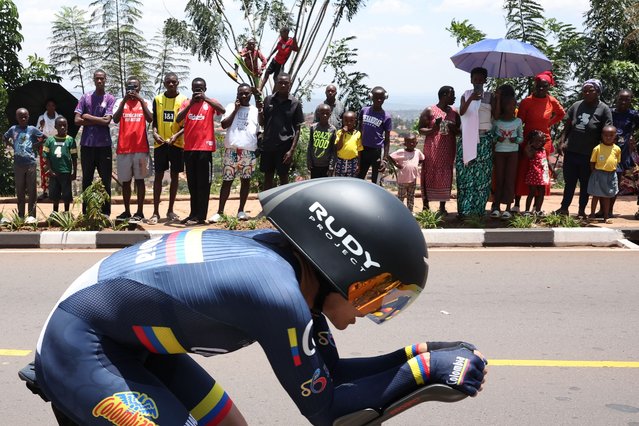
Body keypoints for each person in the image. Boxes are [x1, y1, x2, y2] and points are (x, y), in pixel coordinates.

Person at [34, 178, 487, 426]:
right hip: (81, 345)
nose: (370, 314)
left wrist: (416, 354)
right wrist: (423, 373)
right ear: (345, 267)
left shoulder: (295, 270)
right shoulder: (278, 295)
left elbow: (333, 377)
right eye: (374, 297)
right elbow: (329, 411)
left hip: (132, 342)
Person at [556, 79, 613, 218]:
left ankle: (581, 210)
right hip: (572, 151)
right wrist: (561, 141)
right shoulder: (576, 105)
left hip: (589, 154)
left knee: (585, 184)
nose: (587, 93)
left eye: (590, 91)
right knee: (569, 182)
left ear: (598, 92)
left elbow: (607, 131)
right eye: (585, 91)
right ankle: (564, 208)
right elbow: (568, 125)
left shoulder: (604, 109)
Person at [176, 78, 226, 226]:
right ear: (191, 89)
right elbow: (178, 119)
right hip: (189, 149)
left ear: (205, 88)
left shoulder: (210, 102)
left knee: (203, 184)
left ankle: (200, 216)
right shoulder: (186, 102)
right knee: (192, 184)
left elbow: (221, 110)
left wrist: (206, 99)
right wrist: (190, 104)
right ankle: (193, 213)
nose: (197, 91)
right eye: (195, 89)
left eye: (200, 88)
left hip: (205, 148)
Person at [209, 83, 261, 223]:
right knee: (227, 181)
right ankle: (220, 212)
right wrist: (236, 110)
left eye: (246, 93)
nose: (244, 95)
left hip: (248, 152)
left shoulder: (255, 111)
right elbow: (224, 124)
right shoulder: (231, 107)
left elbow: (259, 131)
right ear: (237, 94)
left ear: (251, 94)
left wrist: (259, 149)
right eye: (241, 93)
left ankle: (241, 211)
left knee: (245, 181)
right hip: (231, 151)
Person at [514, 71, 565, 212]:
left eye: (544, 86)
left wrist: (549, 124)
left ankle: (537, 207)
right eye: (538, 86)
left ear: (549, 87)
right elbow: (520, 122)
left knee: (541, 173)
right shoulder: (527, 102)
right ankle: (517, 203)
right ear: (534, 85)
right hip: (528, 141)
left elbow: (561, 113)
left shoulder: (551, 101)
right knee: (523, 170)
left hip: (544, 142)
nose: (541, 89)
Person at [74, 69, 116, 216]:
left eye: (102, 79)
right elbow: (77, 120)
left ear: (106, 80)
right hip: (87, 145)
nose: (99, 81)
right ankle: (86, 212)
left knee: (105, 181)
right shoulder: (85, 98)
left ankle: (105, 213)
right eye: (97, 78)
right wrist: (96, 120)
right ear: (93, 79)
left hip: (104, 145)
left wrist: (87, 116)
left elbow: (107, 121)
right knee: (87, 180)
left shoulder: (110, 98)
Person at [149, 72, 188, 225]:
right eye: (168, 82)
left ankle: (170, 210)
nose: (171, 84)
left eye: (173, 82)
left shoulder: (184, 100)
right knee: (158, 177)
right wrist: (154, 133)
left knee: (174, 177)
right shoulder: (158, 99)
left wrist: (176, 136)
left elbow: (186, 125)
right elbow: (155, 122)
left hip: (177, 144)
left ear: (178, 82)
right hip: (160, 144)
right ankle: (155, 212)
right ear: (164, 83)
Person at [113, 77, 153, 222]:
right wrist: (124, 100)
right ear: (125, 87)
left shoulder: (146, 102)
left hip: (141, 148)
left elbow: (150, 119)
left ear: (139, 88)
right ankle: (127, 211)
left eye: (135, 87)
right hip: (124, 148)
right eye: (130, 87)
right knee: (125, 182)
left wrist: (141, 101)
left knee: (140, 180)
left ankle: (140, 211)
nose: (133, 90)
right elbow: (116, 119)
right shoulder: (119, 102)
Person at [457, 67, 495, 218]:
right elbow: (462, 112)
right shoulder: (465, 95)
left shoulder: (491, 96)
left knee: (483, 176)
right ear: (471, 80)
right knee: (465, 174)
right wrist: (472, 98)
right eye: (475, 79)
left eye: (481, 79)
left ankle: (478, 211)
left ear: (485, 80)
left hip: (484, 139)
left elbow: (496, 115)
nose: (478, 81)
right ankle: (464, 210)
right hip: (467, 139)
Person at [258, 72, 304, 190]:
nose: (283, 85)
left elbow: (298, 129)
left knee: (284, 178)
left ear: (290, 84)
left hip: (284, 148)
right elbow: (262, 123)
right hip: (268, 146)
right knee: (268, 178)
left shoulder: (295, 103)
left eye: (286, 83)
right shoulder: (268, 100)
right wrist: (260, 111)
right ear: (276, 84)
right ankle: (268, 207)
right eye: (280, 83)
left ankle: (284, 207)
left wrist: (291, 151)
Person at [418, 86, 460, 215]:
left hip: (448, 149)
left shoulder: (454, 112)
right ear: (444, 95)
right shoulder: (430, 111)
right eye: (452, 95)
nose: (454, 98)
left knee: (446, 176)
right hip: (432, 148)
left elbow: (459, 131)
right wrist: (434, 128)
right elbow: (421, 129)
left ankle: (442, 207)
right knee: (429, 173)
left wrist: (453, 128)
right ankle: (426, 206)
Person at [2, 108, 44, 223]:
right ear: (17, 118)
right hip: (18, 164)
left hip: (30, 163)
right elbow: (5, 137)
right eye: (21, 116)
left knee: (32, 191)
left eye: (25, 116)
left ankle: (31, 216)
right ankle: (20, 215)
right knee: (20, 191)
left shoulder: (32, 129)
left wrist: (35, 145)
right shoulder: (13, 129)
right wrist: (10, 144)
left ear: (28, 117)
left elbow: (43, 138)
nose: (23, 118)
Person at [489, 91, 523, 219]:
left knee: (510, 179)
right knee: (499, 179)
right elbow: (491, 136)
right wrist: (497, 138)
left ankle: (508, 208)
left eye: (513, 104)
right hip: (499, 153)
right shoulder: (496, 121)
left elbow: (521, 138)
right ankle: (496, 206)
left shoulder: (518, 121)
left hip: (513, 153)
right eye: (508, 104)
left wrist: (516, 140)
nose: (511, 107)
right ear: (503, 105)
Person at [610, 89, 639, 218]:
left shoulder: (633, 115)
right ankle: (602, 209)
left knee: (616, 182)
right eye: (621, 98)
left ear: (630, 101)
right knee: (605, 181)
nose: (623, 101)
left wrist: (634, 141)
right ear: (617, 98)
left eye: (627, 99)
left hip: (623, 154)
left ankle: (609, 209)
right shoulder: (610, 113)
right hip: (607, 152)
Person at [42, 116, 77, 213]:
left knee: (66, 195)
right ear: (55, 127)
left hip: (66, 171)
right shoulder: (50, 140)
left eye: (64, 125)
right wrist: (50, 169)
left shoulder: (70, 140)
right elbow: (46, 156)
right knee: (54, 195)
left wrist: (74, 172)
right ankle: (55, 213)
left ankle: (66, 212)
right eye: (60, 125)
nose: (62, 127)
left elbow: (74, 157)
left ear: (67, 126)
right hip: (54, 173)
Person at [357, 86, 392, 184]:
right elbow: (359, 129)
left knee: (375, 181)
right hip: (363, 150)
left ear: (385, 98)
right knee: (359, 178)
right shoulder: (364, 110)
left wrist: (384, 159)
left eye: (381, 98)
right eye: (376, 97)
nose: (379, 100)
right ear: (371, 97)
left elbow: (387, 140)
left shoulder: (386, 117)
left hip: (376, 151)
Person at [588, 125, 621, 224]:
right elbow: (592, 162)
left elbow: (617, 161)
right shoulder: (597, 148)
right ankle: (592, 214)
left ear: (615, 136)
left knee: (607, 196)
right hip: (599, 174)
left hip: (611, 174)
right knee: (596, 195)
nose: (608, 137)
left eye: (611, 135)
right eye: (606, 135)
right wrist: (595, 172)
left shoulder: (617, 149)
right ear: (602, 135)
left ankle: (606, 216)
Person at [388, 134, 424, 213]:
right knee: (400, 198)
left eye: (413, 142)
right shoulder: (400, 152)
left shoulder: (417, 152)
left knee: (411, 197)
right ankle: (398, 212)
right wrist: (396, 164)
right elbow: (389, 157)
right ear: (405, 144)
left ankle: (410, 212)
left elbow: (422, 159)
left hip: (413, 180)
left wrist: (417, 163)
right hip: (402, 180)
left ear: (416, 143)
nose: (411, 144)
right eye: (409, 142)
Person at [259, 27, 300, 92]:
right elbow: (276, 48)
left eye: (282, 33)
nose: (280, 35)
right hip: (275, 60)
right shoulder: (281, 40)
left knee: (276, 78)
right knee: (267, 73)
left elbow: (297, 50)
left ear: (286, 33)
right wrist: (270, 56)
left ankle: (274, 93)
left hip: (281, 63)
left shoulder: (291, 41)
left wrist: (295, 42)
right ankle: (260, 89)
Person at [37, 99, 60, 200]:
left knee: (57, 167)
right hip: (45, 145)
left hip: (57, 144)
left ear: (55, 107)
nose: (51, 107)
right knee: (45, 168)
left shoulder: (59, 118)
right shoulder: (41, 118)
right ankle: (45, 191)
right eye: (49, 105)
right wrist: (41, 127)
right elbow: (37, 133)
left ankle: (57, 191)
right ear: (46, 107)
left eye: (53, 105)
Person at [524, 130, 550, 216]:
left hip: (542, 175)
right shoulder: (531, 150)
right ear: (531, 141)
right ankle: (527, 211)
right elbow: (528, 155)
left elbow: (547, 161)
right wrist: (529, 145)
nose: (538, 143)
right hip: (534, 174)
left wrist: (552, 170)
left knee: (541, 193)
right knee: (532, 192)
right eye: (536, 141)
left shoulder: (543, 150)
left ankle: (538, 210)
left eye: (540, 141)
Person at [307, 104, 336, 179]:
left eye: (327, 113)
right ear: (318, 114)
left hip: (326, 165)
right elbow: (310, 145)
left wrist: (331, 165)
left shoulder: (332, 130)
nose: (325, 115)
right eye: (322, 113)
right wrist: (309, 160)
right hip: (314, 164)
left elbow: (333, 149)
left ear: (330, 114)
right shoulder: (313, 128)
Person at [333, 111, 362, 177]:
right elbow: (338, 148)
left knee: (351, 181)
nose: (348, 123)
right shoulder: (339, 132)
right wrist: (343, 134)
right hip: (340, 161)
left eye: (351, 121)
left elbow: (359, 150)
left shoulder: (357, 134)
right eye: (346, 121)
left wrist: (358, 164)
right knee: (339, 180)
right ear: (343, 121)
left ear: (355, 121)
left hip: (353, 162)